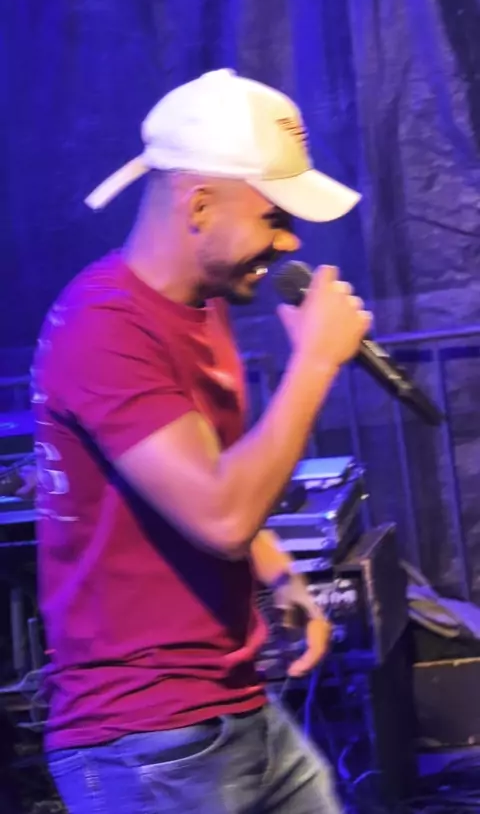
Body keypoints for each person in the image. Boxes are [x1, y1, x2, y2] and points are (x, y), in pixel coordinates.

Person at [33, 69, 371, 814]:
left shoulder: (199, 304)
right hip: (147, 740)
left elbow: (193, 480)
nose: (288, 241)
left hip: (229, 707)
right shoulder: (104, 327)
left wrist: (277, 570)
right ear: (198, 205)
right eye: (273, 217)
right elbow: (220, 515)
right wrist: (315, 362)